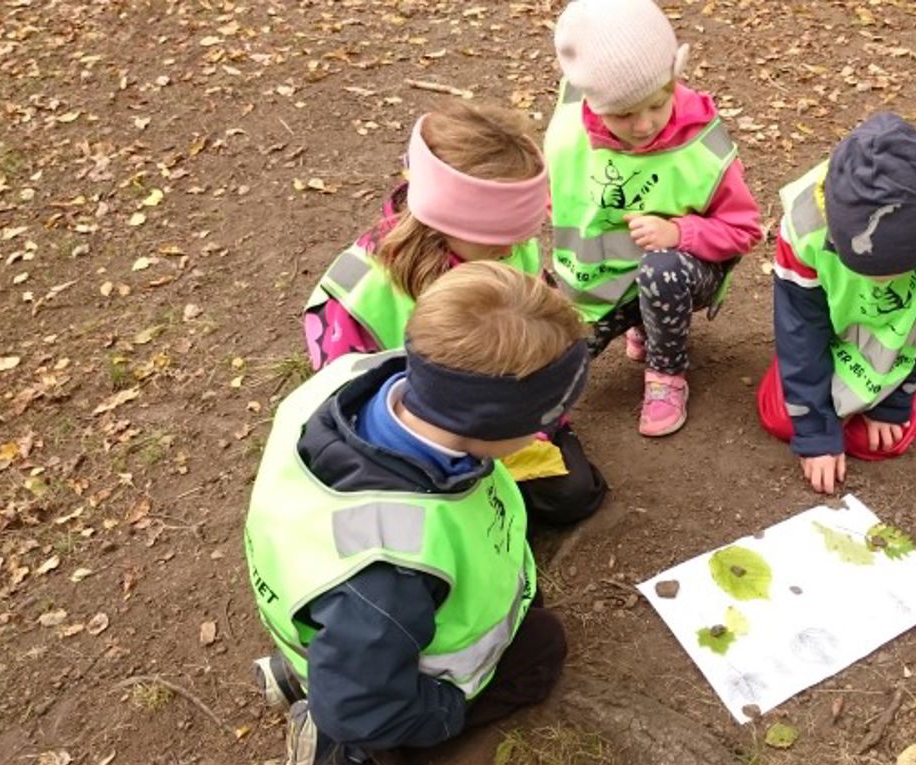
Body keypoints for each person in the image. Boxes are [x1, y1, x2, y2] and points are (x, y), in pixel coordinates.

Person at [247, 262, 589, 765]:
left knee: (364, 650)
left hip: (353, 624)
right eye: (548, 417)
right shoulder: (393, 564)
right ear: (492, 424)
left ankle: (311, 669)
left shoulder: (355, 379)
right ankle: (342, 748)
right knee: (541, 650)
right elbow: (358, 706)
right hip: (381, 666)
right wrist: (445, 711)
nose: (556, 425)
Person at [304, 100, 606, 524]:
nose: (512, 249)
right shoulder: (358, 295)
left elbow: (536, 339)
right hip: (418, 441)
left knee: (575, 495)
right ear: (445, 219)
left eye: (521, 234)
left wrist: (531, 424)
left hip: (506, 415)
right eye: (497, 238)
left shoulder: (512, 246)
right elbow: (347, 403)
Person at [547, 0, 763, 437]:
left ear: (674, 79)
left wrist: (678, 231)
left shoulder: (702, 145)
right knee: (556, 359)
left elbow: (744, 230)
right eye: (623, 113)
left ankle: (666, 373)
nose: (644, 125)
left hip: (679, 269)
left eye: (657, 105)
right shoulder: (572, 120)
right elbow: (557, 185)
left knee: (661, 271)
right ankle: (640, 320)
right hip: (597, 281)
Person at [758, 113, 916, 493]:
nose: (878, 283)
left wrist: (895, 401)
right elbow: (799, 325)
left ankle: (896, 388)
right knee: (783, 421)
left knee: (882, 441)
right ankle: (817, 393)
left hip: (893, 335)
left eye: (892, 273)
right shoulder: (804, 228)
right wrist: (816, 434)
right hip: (827, 326)